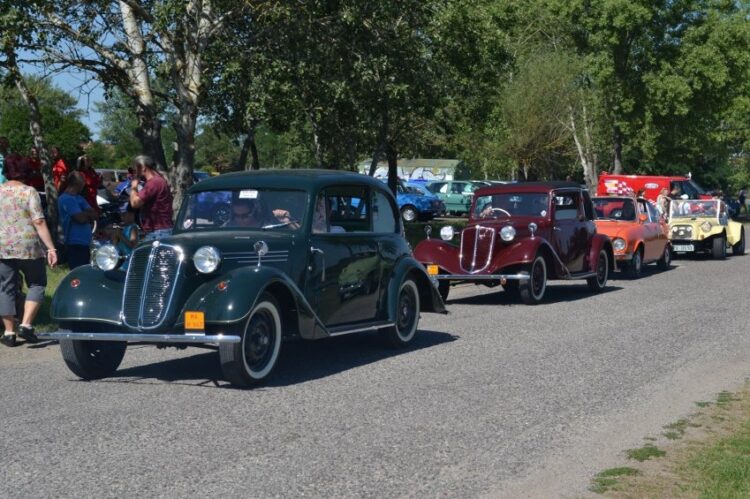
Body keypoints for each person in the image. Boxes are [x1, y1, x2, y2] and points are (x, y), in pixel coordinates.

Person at [0, 156, 58, 347]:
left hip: (2, 247)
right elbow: (39, 221)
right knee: (37, 282)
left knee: (5, 287)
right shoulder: (29, 192)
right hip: (28, 247)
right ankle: (26, 325)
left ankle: (9, 332)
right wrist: (51, 247)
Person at [128, 155, 173, 240]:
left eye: (136, 169)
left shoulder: (153, 183)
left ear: (143, 168)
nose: (135, 173)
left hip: (158, 232)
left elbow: (134, 203)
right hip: (160, 231)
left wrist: (133, 187)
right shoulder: (157, 181)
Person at [58, 171, 97, 269]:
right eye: (83, 183)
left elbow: (94, 214)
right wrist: (87, 214)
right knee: (78, 273)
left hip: (85, 242)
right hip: (74, 243)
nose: (84, 186)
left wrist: (85, 213)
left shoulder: (79, 198)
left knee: (86, 273)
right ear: (77, 184)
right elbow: (81, 219)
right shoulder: (66, 199)